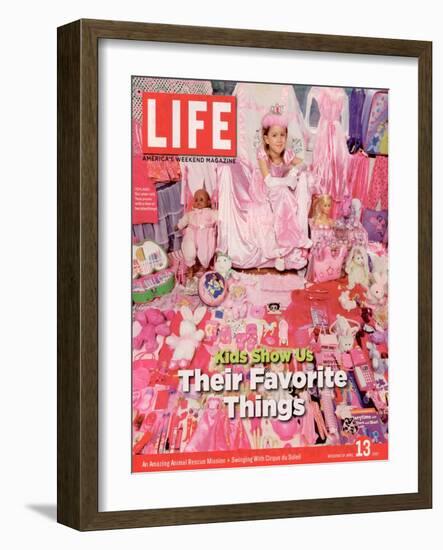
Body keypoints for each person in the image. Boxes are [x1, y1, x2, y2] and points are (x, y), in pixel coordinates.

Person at [257, 106, 312, 270]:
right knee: (283, 192)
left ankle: (290, 239)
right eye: (274, 135)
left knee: (285, 195)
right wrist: (288, 180)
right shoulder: (262, 154)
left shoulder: (287, 153)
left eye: (282, 135)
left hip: (279, 191)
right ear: (266, 139)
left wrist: (295, 170)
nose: (279, 139)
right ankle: (293, 239)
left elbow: (304, 163)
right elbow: (267, 181)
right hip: (263, 190)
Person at [176, 189, 218, 277]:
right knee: (188, 248)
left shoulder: (210, 212)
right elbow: (185, 220)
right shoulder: (191, 213)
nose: (198, 202)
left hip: (205, 235)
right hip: (191, 233)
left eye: (201, 200)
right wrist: (179, 225)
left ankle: (205, 266)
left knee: (206, 250)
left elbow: (219, 217)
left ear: (208, 202)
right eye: (196, 200)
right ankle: (190, 267)